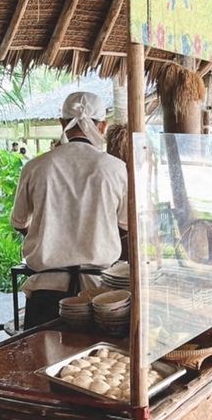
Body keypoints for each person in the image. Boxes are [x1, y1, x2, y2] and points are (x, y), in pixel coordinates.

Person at [11, 91, 128, 329]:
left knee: (40, 362)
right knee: (97, 364)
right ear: (103, 126)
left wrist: (52, 234)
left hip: (46, 290)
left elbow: (19, 222)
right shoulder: (116, 169)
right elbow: (124, 226)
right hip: (99, 295)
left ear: (62, 123)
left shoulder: (36, 167)